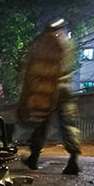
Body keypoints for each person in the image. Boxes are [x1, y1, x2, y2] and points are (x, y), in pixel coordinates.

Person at [18, 19, 81, 175]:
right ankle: (73, 159)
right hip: (64, 89)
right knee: (68, 124)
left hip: (44, 91)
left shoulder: (39, 44)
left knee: (41, 123)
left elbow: (30, 70)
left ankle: (34, 157)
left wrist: (26, 96)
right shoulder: (66, 43)